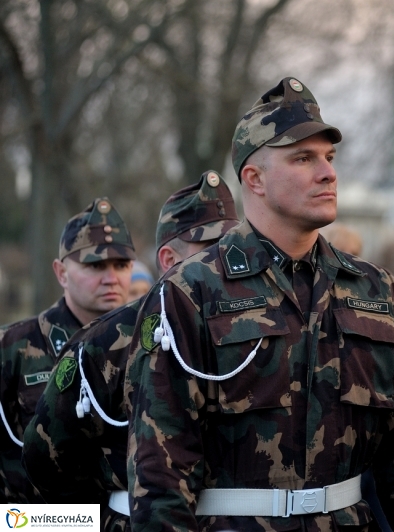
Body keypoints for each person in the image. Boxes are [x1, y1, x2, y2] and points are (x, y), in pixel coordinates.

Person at [126, 77, 394, 531]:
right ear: (255, 179)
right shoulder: (192, 290)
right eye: (303, 158)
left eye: (329, 157)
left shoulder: (376, 292)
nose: (328, 173)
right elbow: (160, 465)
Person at [21, 171, 239, 531]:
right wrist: (102, 517)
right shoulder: (108, 339)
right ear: (168, 259)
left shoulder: (261, 330)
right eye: (211, 248)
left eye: (121, 265)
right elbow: (45, 458)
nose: (227, 258)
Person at [0, 198, 135, 502]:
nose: (111, 278)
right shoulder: (12, 348)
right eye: (95, 265)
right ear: (61, 273)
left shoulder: (148, 344)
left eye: (122, 265)